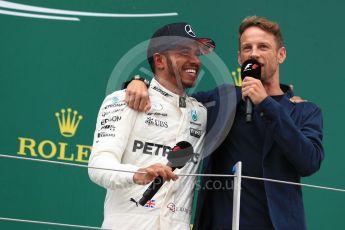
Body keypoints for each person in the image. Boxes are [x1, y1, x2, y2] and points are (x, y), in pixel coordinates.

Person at [125, 16, 324, 230]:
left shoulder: (304, 111)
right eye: (247, 48)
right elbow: (172, 99)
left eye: (263, 46)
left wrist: (266, 104)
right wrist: (138, 82)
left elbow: (309, 162)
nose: (254, 53)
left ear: (281, 54)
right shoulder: (222, 98)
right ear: (240, 58)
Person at [88, 22, 215, 230]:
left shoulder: (201, 113)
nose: (194, 61)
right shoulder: (124, 100)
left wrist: (286, 99)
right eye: (184, 52)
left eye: (197, 54)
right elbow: (98, 165)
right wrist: (137, 173)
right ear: (160, 60)